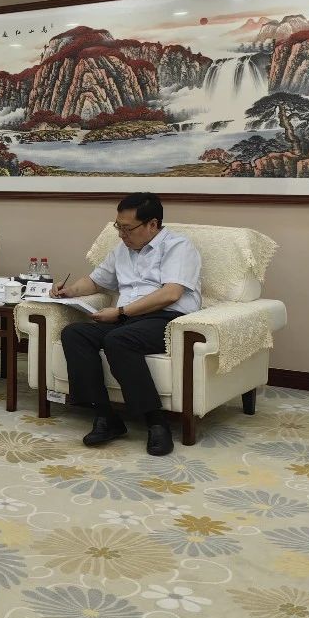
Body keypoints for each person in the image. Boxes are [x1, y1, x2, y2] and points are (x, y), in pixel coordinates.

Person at [51, 192, 202, 457]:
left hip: (168, 320)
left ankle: (156, 422)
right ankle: (105, 417)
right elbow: (96, 281)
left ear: (152, 224)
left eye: (128, 229)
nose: (122, 234)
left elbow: (171, 294)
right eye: (118, 227)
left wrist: (120, 311)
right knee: (75, 333)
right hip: (129, 320)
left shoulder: (178, 246)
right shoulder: (122, 249)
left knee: (119, 340)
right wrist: (70, 291)